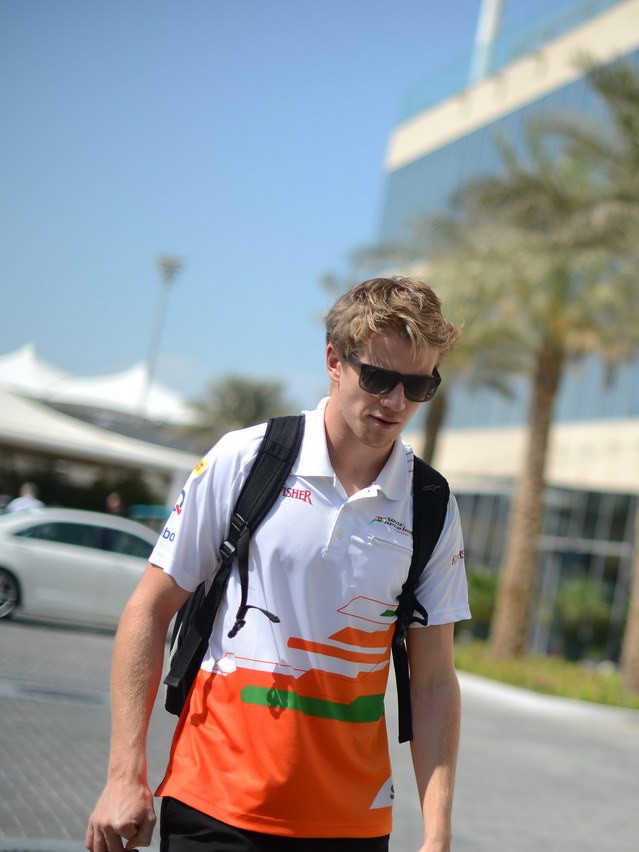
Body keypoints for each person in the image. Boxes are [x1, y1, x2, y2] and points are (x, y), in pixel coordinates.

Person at [86, 276, 468, 852]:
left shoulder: (431, 504)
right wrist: (124, 775)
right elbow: (149, 608)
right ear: (334, 361)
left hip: (350, 824)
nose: (396, 402)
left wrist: (437, 834)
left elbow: (434, 679)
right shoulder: (248, 458)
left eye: (418, 386)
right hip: (214, 801)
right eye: (379, 378)